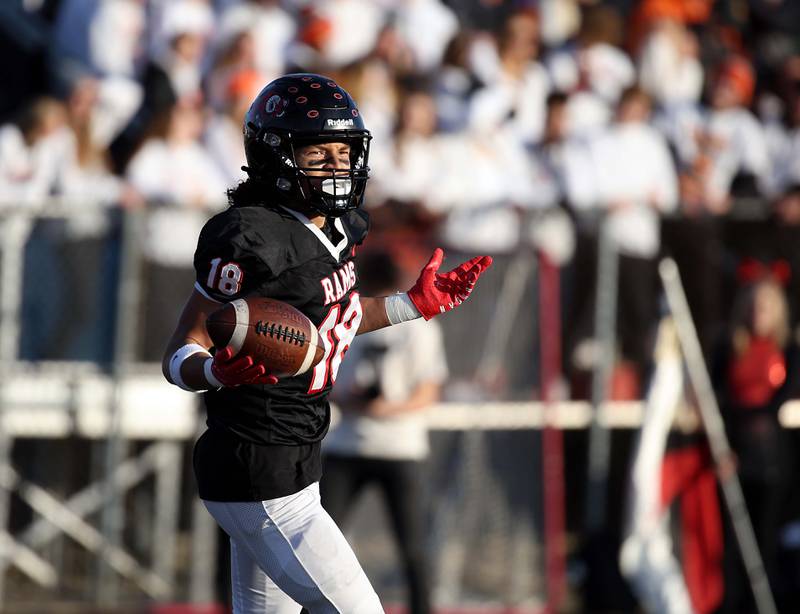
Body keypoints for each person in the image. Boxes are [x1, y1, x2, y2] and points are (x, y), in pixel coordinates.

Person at [161, 73, 492, 613]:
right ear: (277, 157)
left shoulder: (338, 228)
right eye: (320, 154)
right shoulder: (250, 237)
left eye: (344, 152)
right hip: (258, 468)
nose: (338, 166)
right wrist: (214, 373)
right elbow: (183, 347)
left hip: (297, 461)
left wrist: (414, 304)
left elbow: (332, 324)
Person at [321, 250, 448, 614]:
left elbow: (428, 390)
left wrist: (383, 408)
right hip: (347, 446)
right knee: (318, 543)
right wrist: (351, 401)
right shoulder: (346, 316)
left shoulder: (419, 327)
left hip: (400, 449)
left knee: (412, 547)